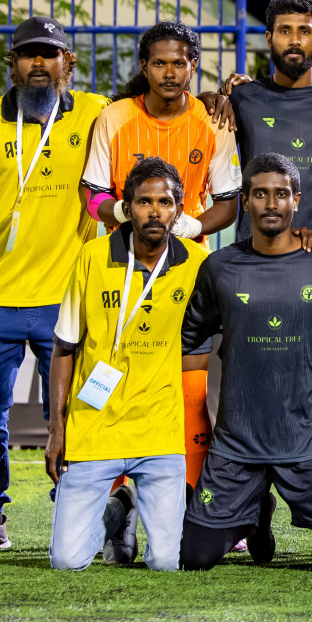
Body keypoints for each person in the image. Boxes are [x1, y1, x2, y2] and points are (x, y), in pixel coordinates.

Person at [0, 16, 108, 551]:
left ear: (68, 63)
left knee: (74, 412)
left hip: (68, 297)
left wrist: (228, 93)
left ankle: (73, 512)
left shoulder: (98, 113)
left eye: (50, 54)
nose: (40, 63)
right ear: (12, 65)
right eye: (29, 54)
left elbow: (159, 103)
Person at [177, 153, 312, 572]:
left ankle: (260, 507)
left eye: (281, 194)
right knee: (194, 558)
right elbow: (193, 334)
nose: (271, 203)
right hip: (237, 443)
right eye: (260, 194)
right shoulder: (220, 267)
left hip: (306, 441)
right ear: (246, 200)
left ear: (297, 200)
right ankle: (256, 513)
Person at [81, 20, 241, 486]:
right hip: (120, 267)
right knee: (118, 374)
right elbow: (90, 192)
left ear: (193, 66)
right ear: (144, 67)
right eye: (159, 63)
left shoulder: (214, 121)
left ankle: (198, 502)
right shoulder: (114, 118)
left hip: (187, 269)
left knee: (191, 386)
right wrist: (123, 213)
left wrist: (188, 225)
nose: (169, 72)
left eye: (179, 63)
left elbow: (229, 202)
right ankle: (116, 497)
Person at [221, 0, 312, 491]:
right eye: (284, 30)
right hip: (256, 272)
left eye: (304, 31)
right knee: (254, 396)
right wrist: (219, 92)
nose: (294, 40)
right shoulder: (242, 100)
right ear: (269, 38)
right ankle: (251, 515)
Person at [45, 158, 209, 571]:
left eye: (166, 202)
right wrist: (55, 429)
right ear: (126, 206)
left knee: (167, 564)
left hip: (159, 434)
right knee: (67, 561)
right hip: (95, 428)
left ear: (180, 209)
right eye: (144, 202)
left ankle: (133, 499)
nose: (155, 211)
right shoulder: (92, 257)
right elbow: (64, 348)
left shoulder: (196, 263)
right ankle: (121, 506)